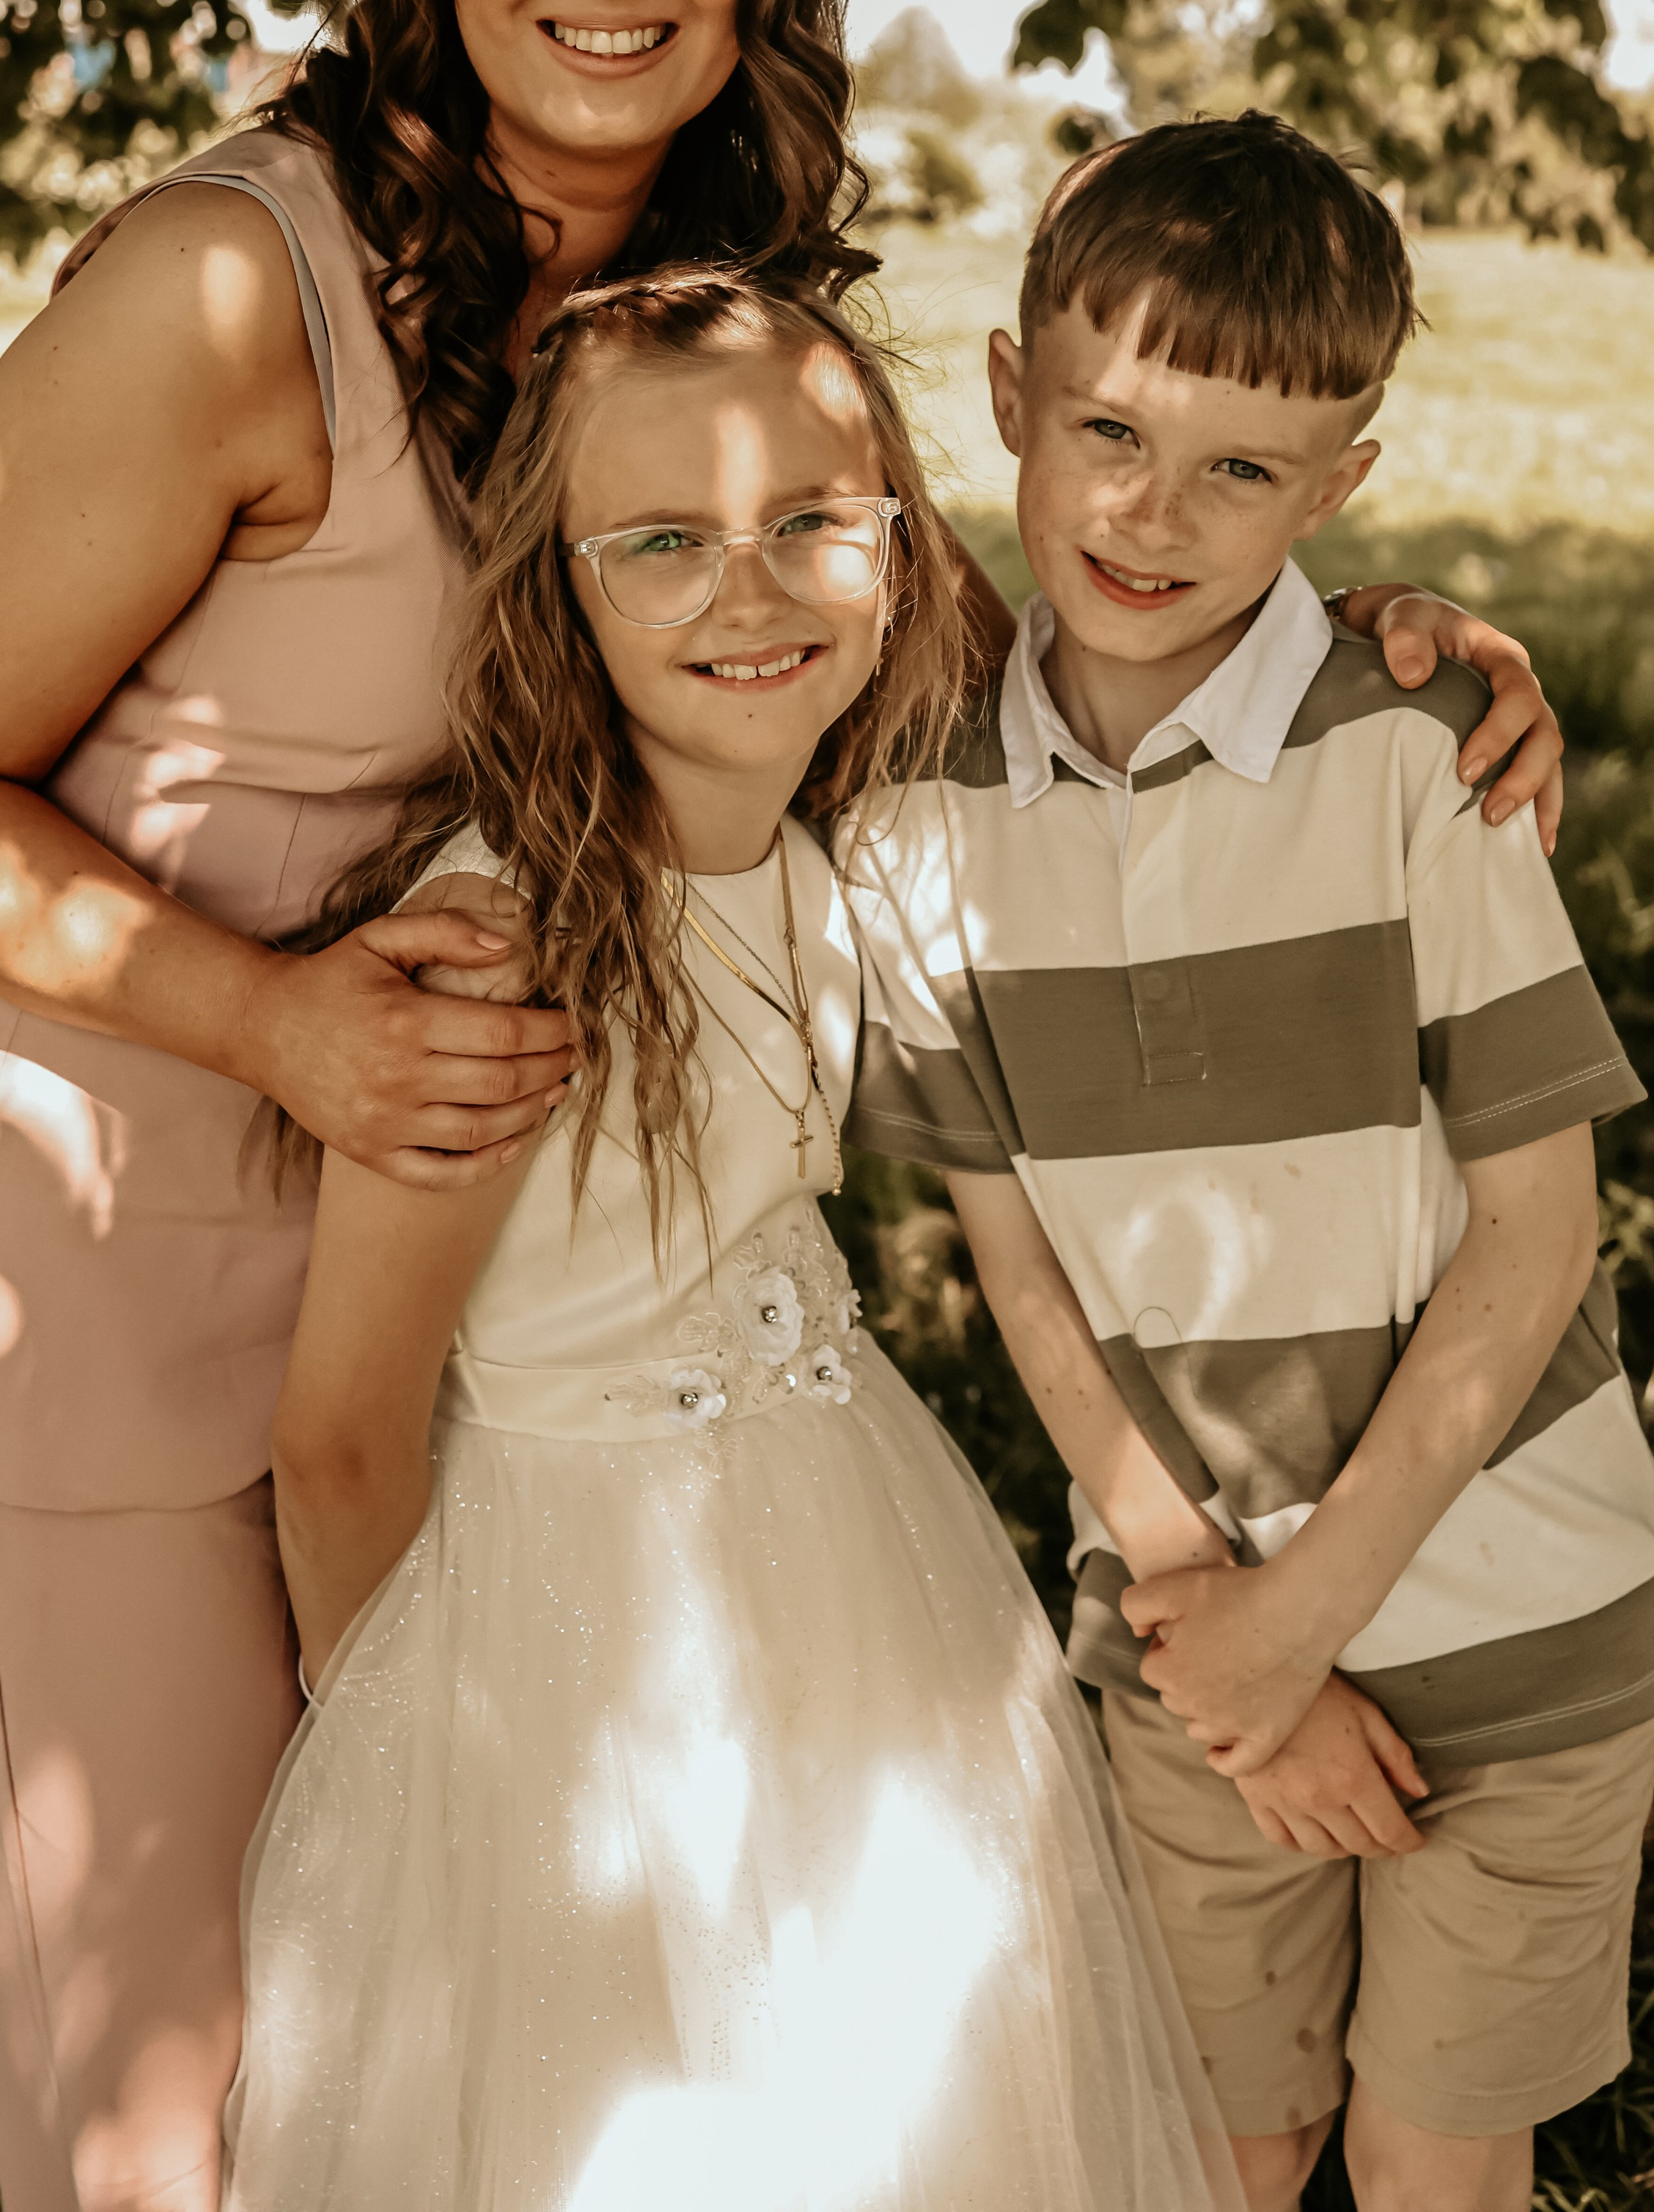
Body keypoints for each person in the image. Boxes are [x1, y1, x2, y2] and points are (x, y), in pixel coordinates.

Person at [0, 0, 1555, 2207]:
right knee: (190, 2146)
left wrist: (1355, 651)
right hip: (143, 1326)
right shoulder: (240, 286)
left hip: (522, 1376)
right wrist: (269, 1020)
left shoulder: (717, 306)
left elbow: (918, 662)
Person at [221, 265, 1244, 2212]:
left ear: (898, 545)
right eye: (664, 543)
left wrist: (1411, 639)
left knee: (884, 2087)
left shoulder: (820, 851)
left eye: (810, 524)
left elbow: (1172, 671)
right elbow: (340, 1439)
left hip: (847, 1572)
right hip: (560, 1648)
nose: (749, 593)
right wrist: (422, 1795)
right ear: (562, 590)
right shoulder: (501, 949)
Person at [839, 115, 1654, 2212]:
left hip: (1520, 1626)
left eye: (1245, 469)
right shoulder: (925, 827)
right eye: (1110, 431)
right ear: (1005, 400)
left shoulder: (1420, 763)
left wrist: (1305, 1616)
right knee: (1220, 2143)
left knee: (1430, 2161)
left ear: (1342, 491)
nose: (1154, 514)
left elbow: (1536, 1235)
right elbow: (1019, 1266)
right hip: (1194, 1628)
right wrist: (1217, 1624)